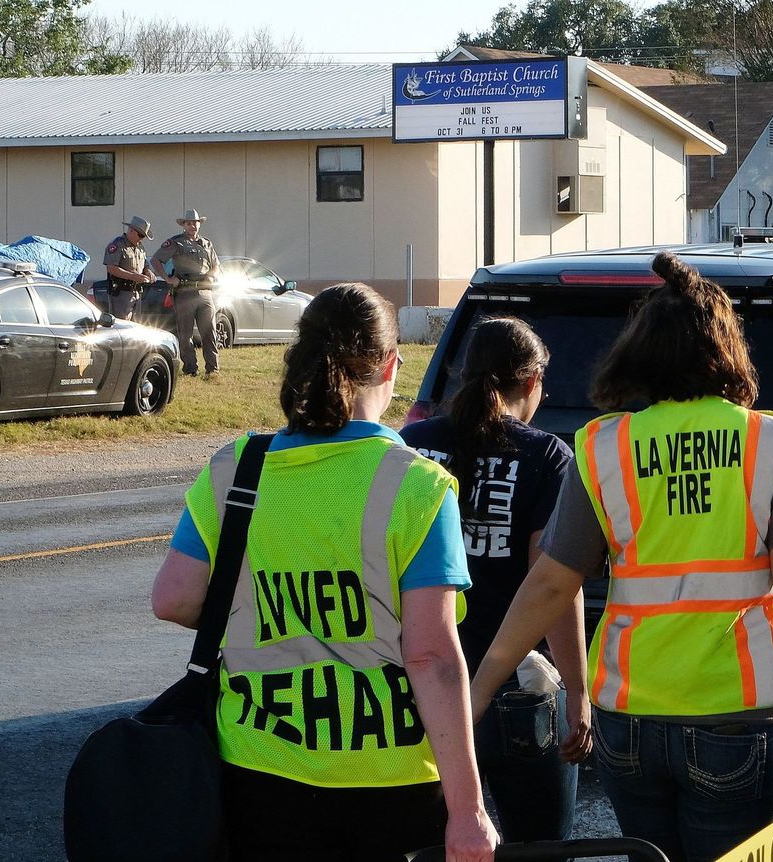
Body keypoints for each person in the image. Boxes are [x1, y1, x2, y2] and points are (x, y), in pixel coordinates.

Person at [468, 252, 773, 862]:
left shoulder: (605, 446)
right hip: (737, 711)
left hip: (629, 715)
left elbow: (551, 582)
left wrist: (477, 691)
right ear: (727, 349)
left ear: (641, 352)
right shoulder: (770, 439)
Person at [150, 283, 498, 862]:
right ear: (390, 365)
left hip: (260, 767)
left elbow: (173, 599)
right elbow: (431, 656)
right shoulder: (418, 486)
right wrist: (468, 812)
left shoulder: (236, 468)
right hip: (389, 777)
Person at [400, 317, 591, 846]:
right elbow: (552, 586)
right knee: (538, 848)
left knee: (441, 845)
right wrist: (577, 689)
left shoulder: (411, 444)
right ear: (531, 382)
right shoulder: (546, 456)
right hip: (515, 689)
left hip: (418, 687)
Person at [152, 209, 221, 377]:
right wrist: (168, 279)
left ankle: (212, 369)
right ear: (183, 225)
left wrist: (213, 274)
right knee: (186, 333)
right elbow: (156, 260)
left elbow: (216, 265)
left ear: (199, 224)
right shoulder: (176, 243)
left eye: (195, 223)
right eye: (189, 223)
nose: (192, 226)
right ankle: (190, 368)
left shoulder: (206, 243)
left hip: (204, 291)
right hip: (185, 291)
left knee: (209, 331)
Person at [102, 216, 154, 320]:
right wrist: (133, 277)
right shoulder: (117, 245)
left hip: (137, 292)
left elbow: (145, 264)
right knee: (123, 325)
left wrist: (148, 272)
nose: (141, 238)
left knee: (136, 327)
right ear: (131, 230)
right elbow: (111, 268)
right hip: (121, 293)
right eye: (140, 235)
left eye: (144, 236)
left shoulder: (140, 247)